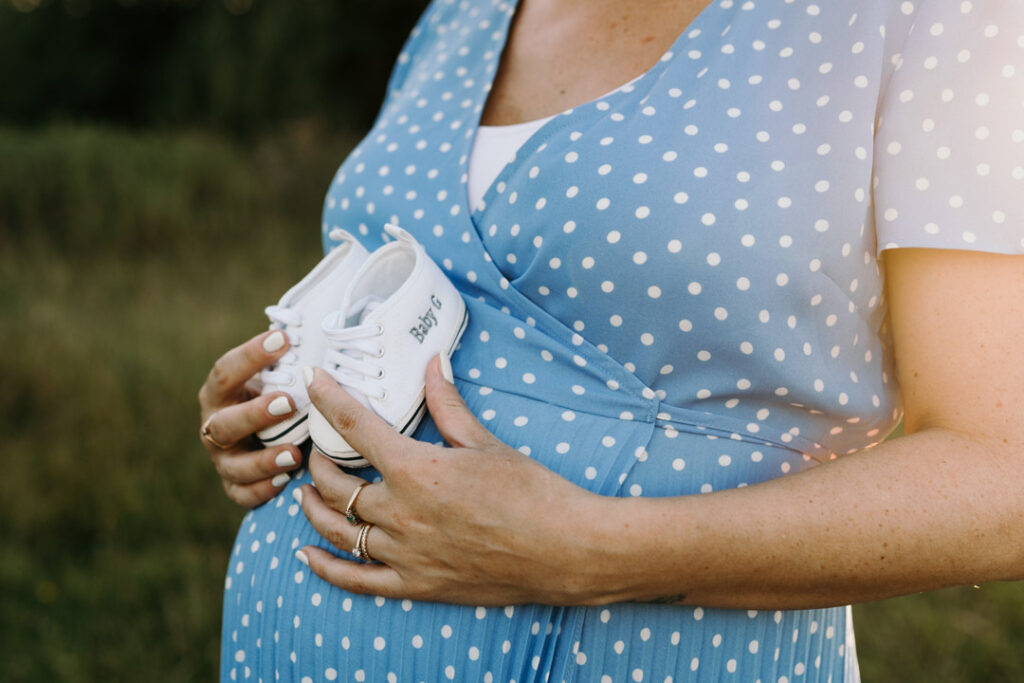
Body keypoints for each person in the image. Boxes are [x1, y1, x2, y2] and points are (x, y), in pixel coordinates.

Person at [198, 0, 1024, 680]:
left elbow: (1004, 477)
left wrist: (591, 549)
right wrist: (287, 398)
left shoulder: (932, 17)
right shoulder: (462, 14)